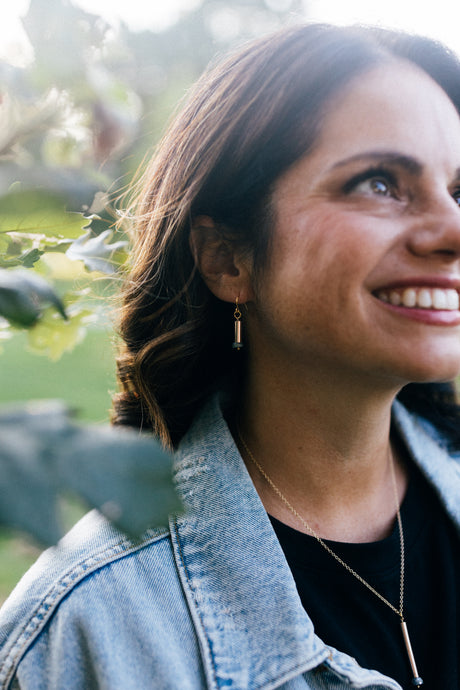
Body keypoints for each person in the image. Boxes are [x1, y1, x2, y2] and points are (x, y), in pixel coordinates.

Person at [2, 22, 460, 690]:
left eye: (459, 189)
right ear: (226, 258)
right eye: (379, 183)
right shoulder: (87, 632)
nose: (451, 230)